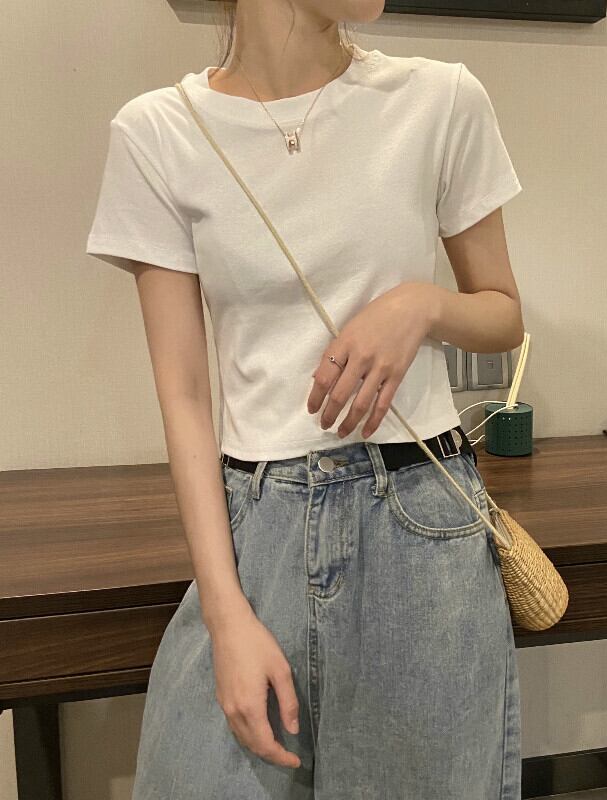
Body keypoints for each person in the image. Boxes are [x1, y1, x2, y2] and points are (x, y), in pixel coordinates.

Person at [85, 2, 525, 797]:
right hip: (256, 530)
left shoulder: (441, 99)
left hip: (421, 520)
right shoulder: (159, 132)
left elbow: (502, 314)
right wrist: (225, 615)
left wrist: (421, 306)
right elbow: (184, 397)